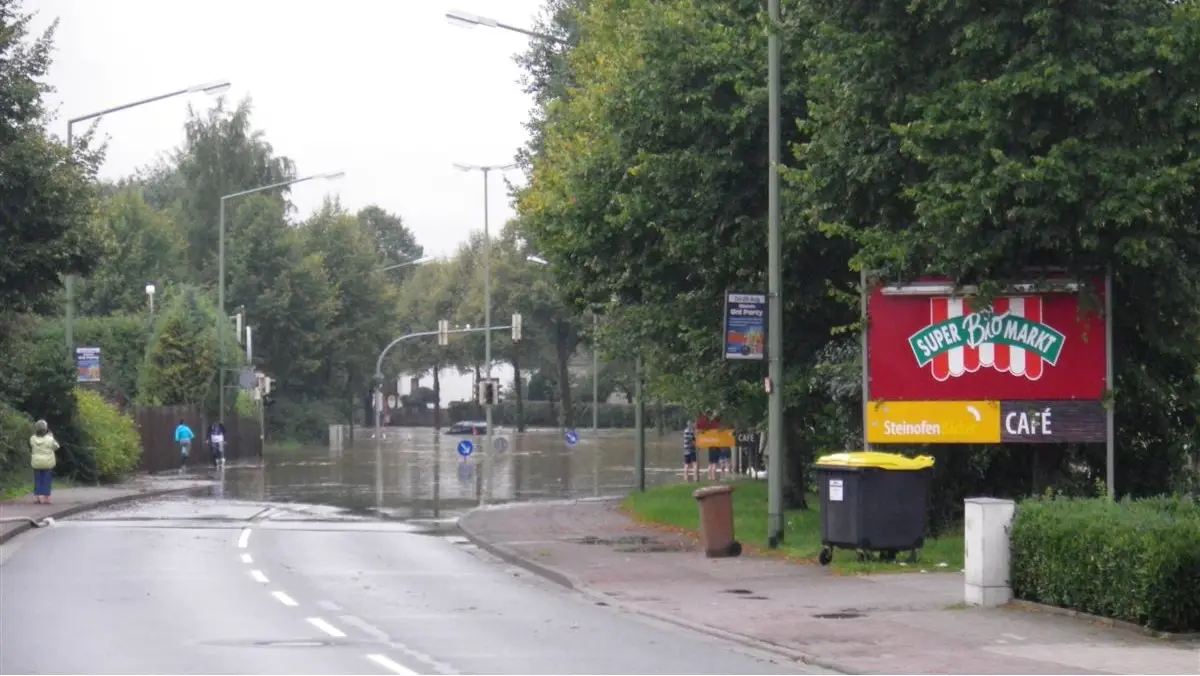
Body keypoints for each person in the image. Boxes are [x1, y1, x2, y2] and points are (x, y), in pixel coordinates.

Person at [29, 419, 59, 504]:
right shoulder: (50, 439)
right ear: (46, 429)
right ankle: (47, 498)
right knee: (47, 480)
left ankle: (37, 497)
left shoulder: (32, 438)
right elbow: (56, 447)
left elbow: (31, 445)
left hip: (36, 462)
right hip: (48, 463)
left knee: (38, 479)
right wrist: (51, 437)